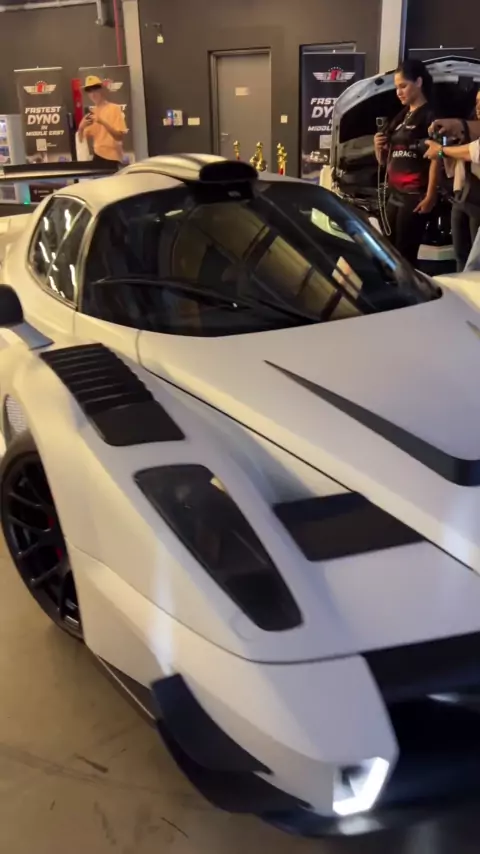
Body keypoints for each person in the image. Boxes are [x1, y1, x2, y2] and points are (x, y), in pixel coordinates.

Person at [374, 60, 440, 266]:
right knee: (387, 253)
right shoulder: (400, 116)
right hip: (394, 193)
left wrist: (430, 196)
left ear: (418, 82)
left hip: (414, 195)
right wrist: (377, 147)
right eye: (396, 87)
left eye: (403, 86)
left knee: (405, 256)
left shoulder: (431, 115)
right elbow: (385, 161)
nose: (399, 92)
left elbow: (437, 157)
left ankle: (409, 287)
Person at [426, 90, 480, 270]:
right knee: (461, 255)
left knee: (475, 261)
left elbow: (473, 151)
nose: (478, 107)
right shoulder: (470, 130)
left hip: (477, 202)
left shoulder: (472, 130)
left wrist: (442, 149)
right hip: (461, 196)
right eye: (477, 101)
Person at [78, 75, 127, 169]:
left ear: (101, 90)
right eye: (89, 91)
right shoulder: (92, 113)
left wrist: (102, 122)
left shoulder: (115, 109)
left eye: (95, 90)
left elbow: (119, 137)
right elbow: (81, 140)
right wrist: (81, 127)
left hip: (113, 159)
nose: (93, 94)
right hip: (97, 157)